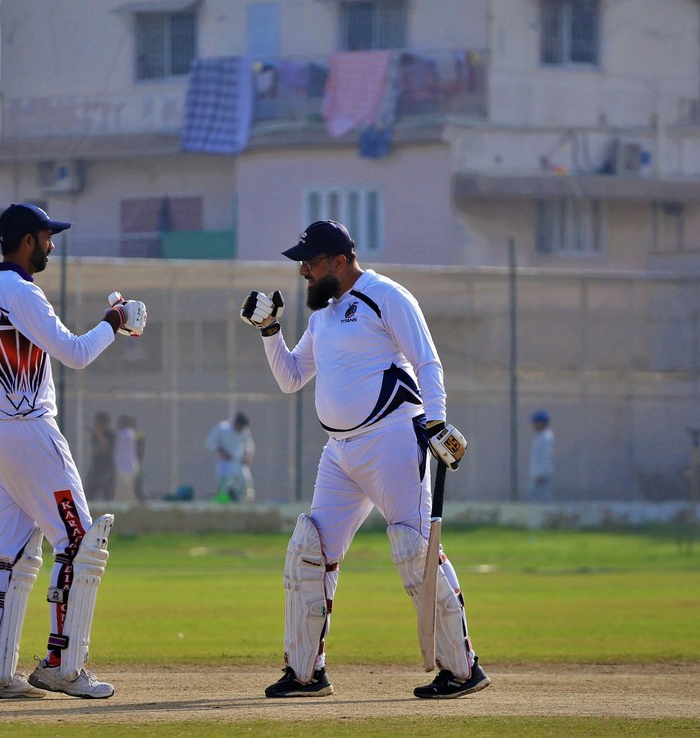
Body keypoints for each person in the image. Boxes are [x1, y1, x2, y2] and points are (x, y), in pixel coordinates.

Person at [240, 219, 489, 700]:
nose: (303, 273)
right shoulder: (323, 316)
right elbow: (290, 378)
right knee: (309, 552)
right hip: (339, 452)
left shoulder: (386, 295)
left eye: (310, 264)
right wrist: (269, 331)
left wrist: (436, 422)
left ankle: (462, 670)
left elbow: (427, 360)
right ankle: (306, 674)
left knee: (414, 550)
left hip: (392, 439)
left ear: (338, 261)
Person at [0, 202, 147, 700]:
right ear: (26, 241)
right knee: (79, 542)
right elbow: (75, 353)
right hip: (30, 429)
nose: (52, 245)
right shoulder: (23, 292)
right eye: (46, 237)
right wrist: (115, 321)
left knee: (10, 552)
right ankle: (62, 665)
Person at [205, 412, 255, 502]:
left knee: (246, 483)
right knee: (225, 485)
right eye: (239, 426)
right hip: (225, 463)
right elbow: (209, 442)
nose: (240, 429)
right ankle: (223, 505)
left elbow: (249, 444)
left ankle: (244, 504)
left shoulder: (245, 431)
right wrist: (221, 451)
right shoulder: (223, 427)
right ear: (235, 422)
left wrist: (248, 455)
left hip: (239, 463)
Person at [85, 411, 115, 501]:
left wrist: (99, 433)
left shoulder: (110, 434)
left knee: (107, 494)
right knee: (89, 492)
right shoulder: (95, 436)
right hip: (96, 466)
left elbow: (106, 446)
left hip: (107, 468)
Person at [528, 409, 555, 502]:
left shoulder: (545, 437)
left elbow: (545, 457)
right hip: (537, 474)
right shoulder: (540, 436)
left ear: (541, 423)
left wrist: (540, 474)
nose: (533, 425)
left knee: (542, 498)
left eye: (535, 422)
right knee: (536, 498)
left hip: (541, 475)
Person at [112, 415, 139, 502]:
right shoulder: (123, 433)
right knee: (121, 489)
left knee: (127, 489)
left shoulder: (129, 433)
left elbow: (117, 436)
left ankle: (131, 504)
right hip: (122, 466)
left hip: (128, 467)